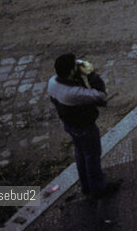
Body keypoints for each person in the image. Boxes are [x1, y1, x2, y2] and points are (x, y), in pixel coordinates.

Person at [47, 53, 119, 199]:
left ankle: (86, 184)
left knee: (80, 154)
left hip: (70, 126)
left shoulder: (53, 82)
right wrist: (91, 74)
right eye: (75, 65)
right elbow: (99, 95)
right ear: (71, 71)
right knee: (92, 156)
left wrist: (78, 67)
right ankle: (98, 188)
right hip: (85, 127)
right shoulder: (72, 93)